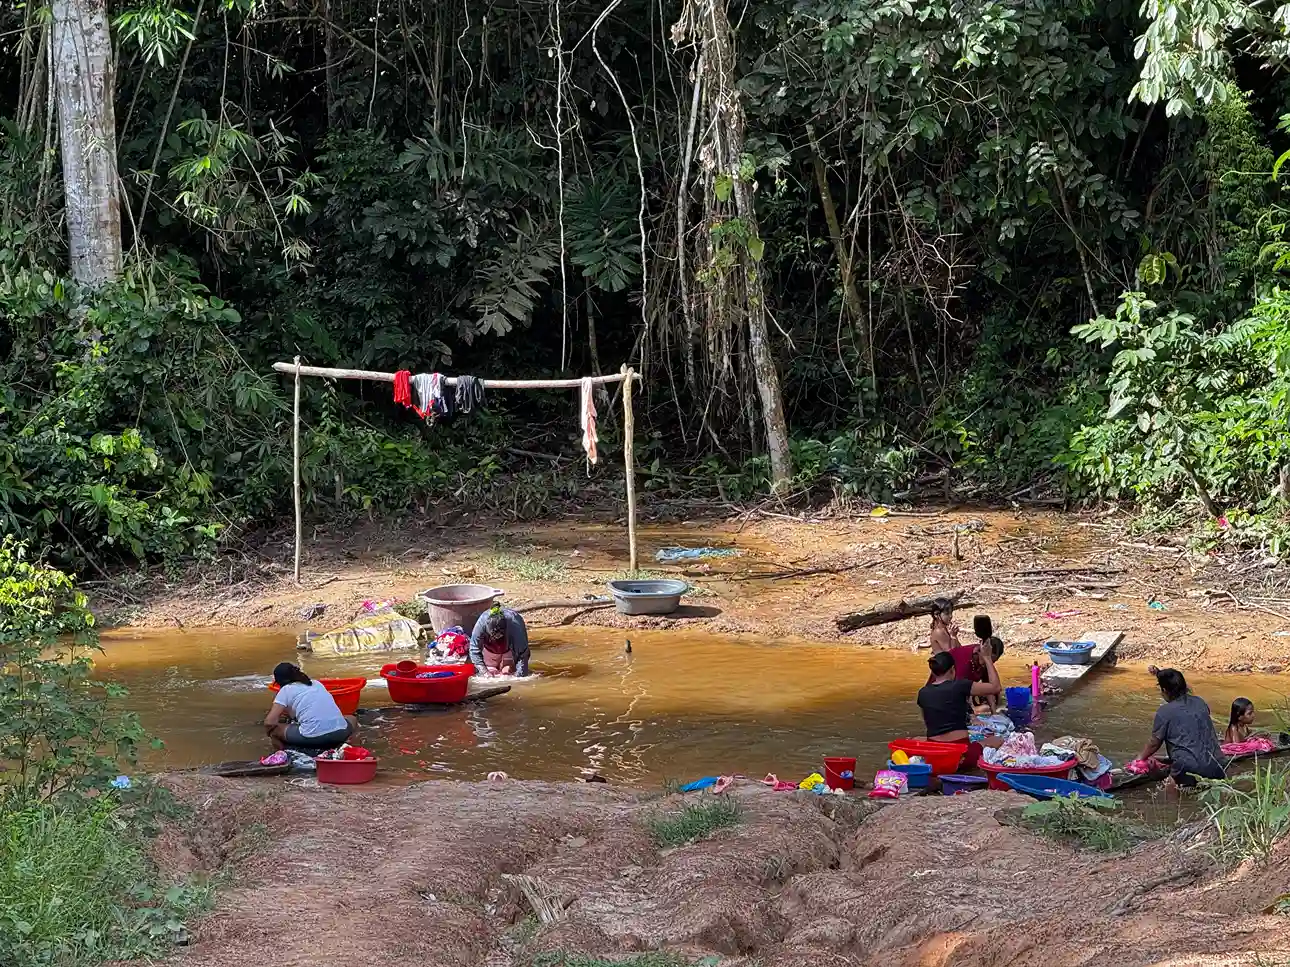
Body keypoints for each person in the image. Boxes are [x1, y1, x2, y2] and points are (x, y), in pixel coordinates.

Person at [917, 641, 1002, 767]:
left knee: (917, 739)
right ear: (952, 670)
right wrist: (988, 658)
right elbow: (995, 687)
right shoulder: (960, 685)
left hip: (935, 754)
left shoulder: (923, 692)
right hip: (961, 755)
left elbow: (928, 722)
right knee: (998, 740)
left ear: (934, 673)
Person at [1137, 667, 1224, 789]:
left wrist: (1139, 759)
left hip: (1190, 767)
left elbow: (1154, 743)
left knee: (1170, 785)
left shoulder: (1164, 712)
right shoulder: (1200, 702)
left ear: (1165, 690)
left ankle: (1173, 806)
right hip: (1218, 763)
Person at [264, 662, 355, 752]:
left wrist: (270, 732)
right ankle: (348, 748)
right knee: (352, 718)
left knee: (275, 731)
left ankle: (282, 756)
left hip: (314, 737)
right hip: (341, 732)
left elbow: (269, 722)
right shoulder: (316, 683)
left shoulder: (286, 690)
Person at [469, 605, 532, 677]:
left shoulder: (515, 625)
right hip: (489, 650)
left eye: (500, 636)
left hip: (510, 648)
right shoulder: (481, 624)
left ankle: (508, 665)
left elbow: (523, 654)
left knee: (508, 672)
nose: (497, 639)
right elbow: (474, 650)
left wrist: (520, 678)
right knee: (491, 671)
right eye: (494, 636)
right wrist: (485, 672)